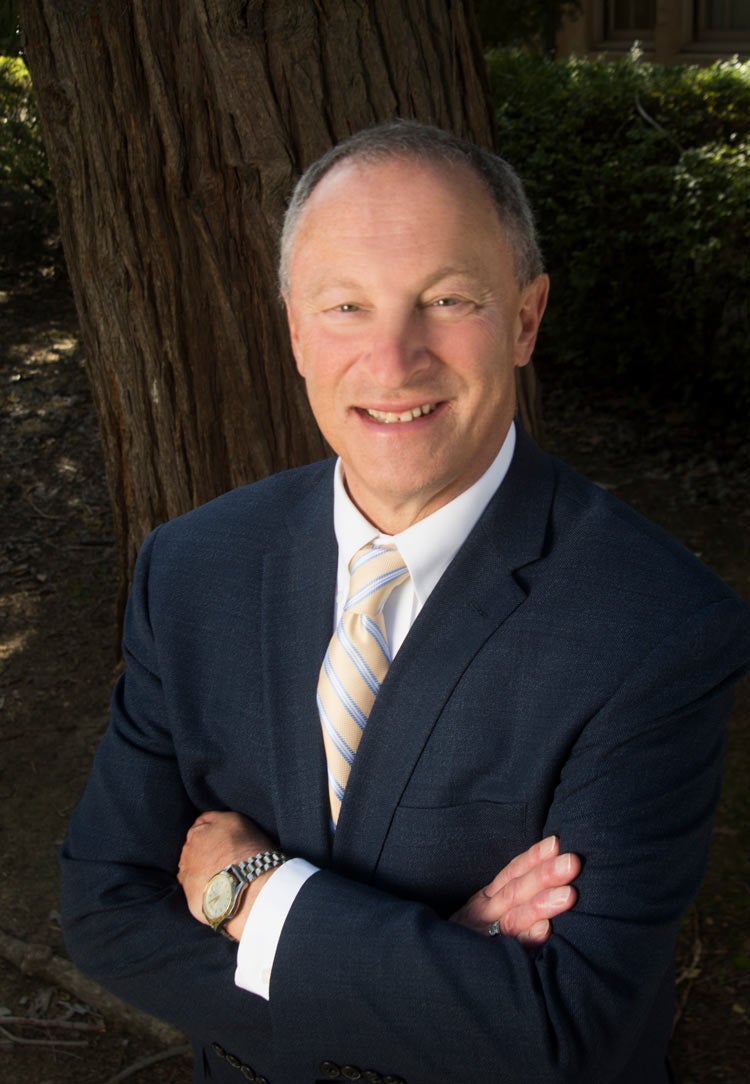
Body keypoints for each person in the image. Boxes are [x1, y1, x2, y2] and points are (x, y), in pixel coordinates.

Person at [60, 122, 750, 1084]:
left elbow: (567, 1034)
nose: (393, 359)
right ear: (296, 331)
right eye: (346, 306)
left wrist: (259, 899)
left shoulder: (657, 627)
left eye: (448, 299)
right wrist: (429, 975)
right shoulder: (193, 567)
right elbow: (102, 905)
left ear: (525, 318)